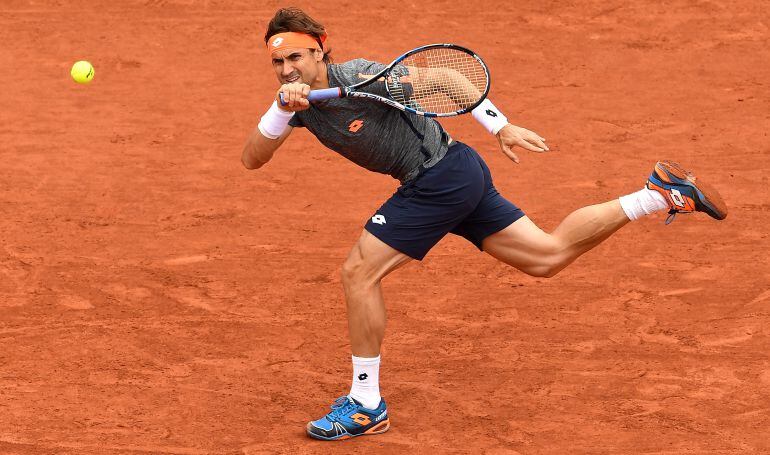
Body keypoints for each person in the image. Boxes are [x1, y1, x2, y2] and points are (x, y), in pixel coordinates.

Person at [241, 7, 728, 441]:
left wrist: (502, 126)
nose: (287, 70)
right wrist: (281, 110)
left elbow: (451, 84)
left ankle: (366, 404)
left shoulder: (364, 77)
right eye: (278, 63)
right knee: (547, 256)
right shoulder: (297, 104)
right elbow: (251, 160)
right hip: (455, 174)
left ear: (321, 48)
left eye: (297, 58)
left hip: (439, 177)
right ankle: (658, 195)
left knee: (358, 273)